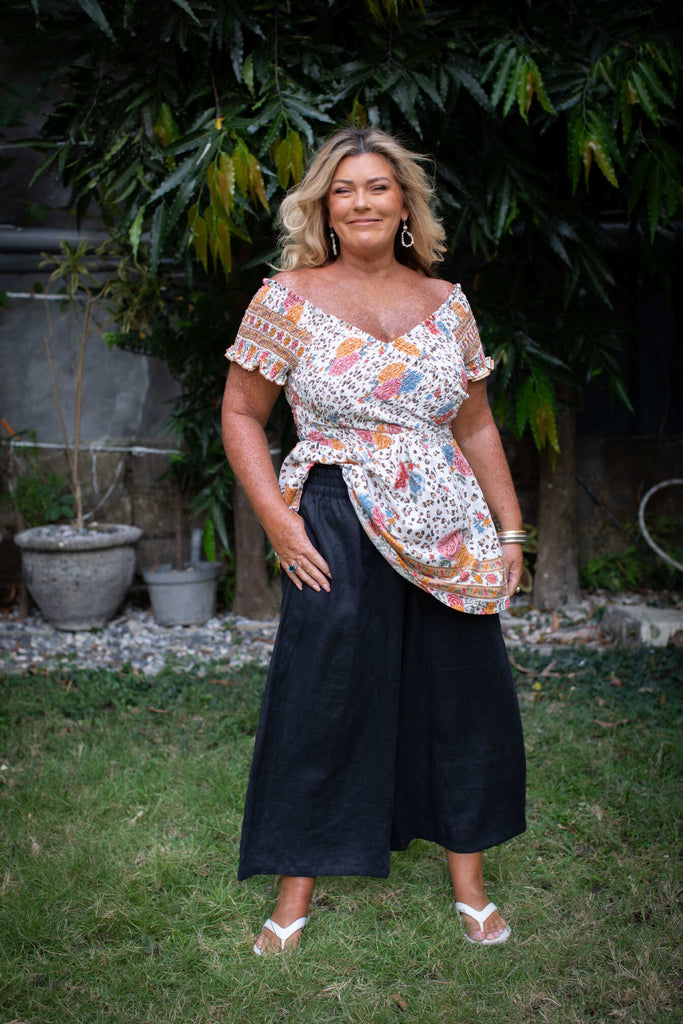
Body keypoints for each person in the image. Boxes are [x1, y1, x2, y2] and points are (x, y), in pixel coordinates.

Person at [221, 126, 526, 956]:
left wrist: (509, 529)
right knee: (323, 694)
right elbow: (242, 415)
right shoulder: (283, 298)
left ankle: (469, 885)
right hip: (332, 516)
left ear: (403, 205)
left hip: (446, 523)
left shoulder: (446, 304)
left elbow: (478, 424)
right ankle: (295, 890)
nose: (360, 201)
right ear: (323, 206)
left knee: (461, 695)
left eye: (377, 188)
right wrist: (279, 522)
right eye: (344, 189)